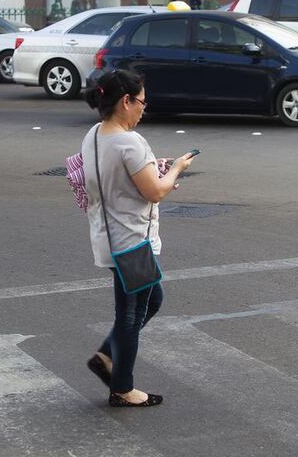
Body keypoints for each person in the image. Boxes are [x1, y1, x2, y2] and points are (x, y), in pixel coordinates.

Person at [81, 70, 195, 407]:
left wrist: (153, 167)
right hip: (133, 242)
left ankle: (106, 355)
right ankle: (122, 387)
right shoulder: (130, 142)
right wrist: (176, 169)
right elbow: (155, 191)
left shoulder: (94, 135)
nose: (144, 109)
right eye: (141, 102)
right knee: (130, 316)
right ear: (125, 101)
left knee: (152, 300)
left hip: (108, 236)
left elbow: (119, 179)